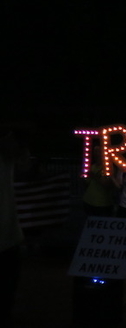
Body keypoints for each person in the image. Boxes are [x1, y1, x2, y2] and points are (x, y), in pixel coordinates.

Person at [0, 129, 25, 327]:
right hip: (9, 235)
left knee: (8, 287)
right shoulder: (7, 155)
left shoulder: (6, 155)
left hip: (9, 235)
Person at [81, 144, 116, 217]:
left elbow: (107, 185)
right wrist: (83, 177)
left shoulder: (109, 168)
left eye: (99, 152)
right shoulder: (92, 166)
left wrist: (94, 176)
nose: (97, 154)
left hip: (103, 204)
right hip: (88, 201)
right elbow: (87, 183)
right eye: (95, 152)